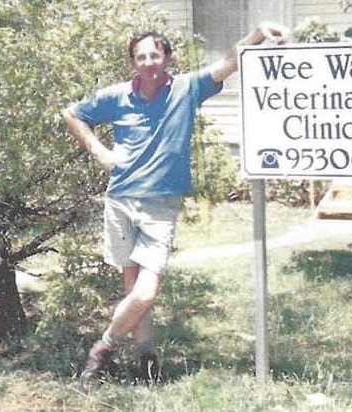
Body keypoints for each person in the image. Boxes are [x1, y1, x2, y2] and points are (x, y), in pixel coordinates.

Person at [64, 23, 288, 391]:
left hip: (160, 206)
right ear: (133, 62)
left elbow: (231, 61)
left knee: (146, 292)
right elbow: (72, 114)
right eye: (141, 56)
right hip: (120, 200)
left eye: (155, 54)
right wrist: (99, 151)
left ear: (166, 57)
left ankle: (100, 350)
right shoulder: (116, 96)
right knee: (133, 289)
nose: (149, 62)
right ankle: (146, 359)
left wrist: (258, 34)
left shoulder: (186, 88)